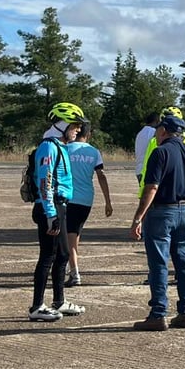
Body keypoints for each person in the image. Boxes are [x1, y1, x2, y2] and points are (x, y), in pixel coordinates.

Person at [130, 113, 185, 331]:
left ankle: (158, 314)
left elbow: (152, 187)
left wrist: (138, 216)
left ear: (163, 131)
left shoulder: (160, 153)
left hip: (162, 212)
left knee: (159, 263)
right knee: (184, 262)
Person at [29, 102, 88, 322]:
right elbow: (46, 181)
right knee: (47, 256)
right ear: (62, 124)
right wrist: (51, 214)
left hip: (59, 206)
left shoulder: (59, 146)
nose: (78, 130)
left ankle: (59, 301)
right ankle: (37, 306)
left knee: (63, 254)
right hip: (49, 208)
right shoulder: (49, 147)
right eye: (74, 125)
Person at [64, 121, 113, 288]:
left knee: (69, 236)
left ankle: (74, 271)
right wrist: (108, 201)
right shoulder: (93, 152)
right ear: (88, 135)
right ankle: (68, 265)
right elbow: (101, 176)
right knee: (74, 234)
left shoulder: (65, 149)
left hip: (68, 197)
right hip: (86, 199)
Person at [138, 105, 185, 194]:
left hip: (161, 193)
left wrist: (143, 190)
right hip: (183, 194)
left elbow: (147, 168)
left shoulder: (155, 141)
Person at [134, 111, 160, 186]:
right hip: (148, 171)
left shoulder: (140, 133)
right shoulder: (154, 132)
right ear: (156, 121)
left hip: (139, 170)